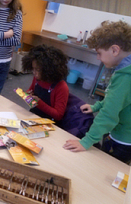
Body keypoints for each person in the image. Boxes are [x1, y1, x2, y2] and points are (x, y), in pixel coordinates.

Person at [64, 21, 131, 162]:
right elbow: (119, 99)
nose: (98, 58)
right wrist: (97, 106)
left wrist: (86, 141)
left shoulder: (125, 77)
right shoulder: (126, 68)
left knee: (107, 167)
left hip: (122, 140)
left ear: (115, 50)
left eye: (99, 53)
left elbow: (109, 115)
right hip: (123, 132)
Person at [21, 45, 93, 137]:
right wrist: (28, 94)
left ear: (49, 70)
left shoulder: (61, 87)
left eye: (38, 70)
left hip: (49, 124)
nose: (34, 73)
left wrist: (39, 103)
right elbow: (31, 90)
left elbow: (58, 115)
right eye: (33, 68)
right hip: (34, 116)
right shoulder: (37, 78)